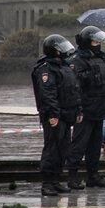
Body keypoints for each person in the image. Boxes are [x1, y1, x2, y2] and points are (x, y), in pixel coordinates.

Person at [32, 34, 81, 196]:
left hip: (67, 114)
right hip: (54, 116)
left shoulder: (65, 66)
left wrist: (78, 110)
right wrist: (52, 114)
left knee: (63, 148)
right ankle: (47, 182)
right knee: (52, 148)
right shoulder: (45, 68)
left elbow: (74, 90)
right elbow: (47, 94)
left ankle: (56, 180)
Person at [66, 26, 105, 190]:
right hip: (85, 110)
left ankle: (93, 176)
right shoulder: (77, 60)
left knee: (95, 145)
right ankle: (72, 176)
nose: (98, 44)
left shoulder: (102, 58)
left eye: (99, 41)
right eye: (94, 41)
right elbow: (74, 86)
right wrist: (78, 109)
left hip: (99, 109)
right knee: (79, 144)